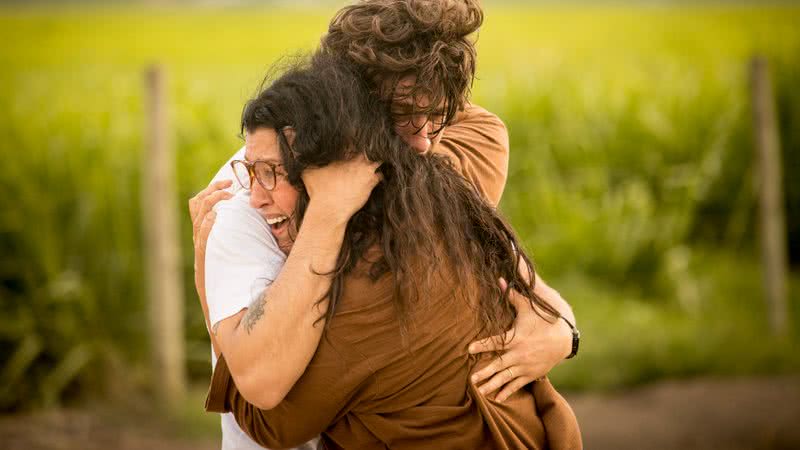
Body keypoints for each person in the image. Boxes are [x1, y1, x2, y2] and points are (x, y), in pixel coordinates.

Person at [188, 1, 579, 448]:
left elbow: (270, 416)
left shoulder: (410, 213)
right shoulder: (243, 204)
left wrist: (560, 321)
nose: (423, 141)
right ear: (346, 108)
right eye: (403, 118)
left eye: (437, 117)